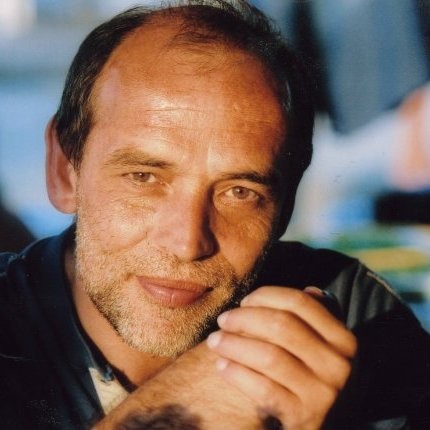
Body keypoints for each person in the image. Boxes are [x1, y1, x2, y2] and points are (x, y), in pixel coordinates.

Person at [0, 1, 429, 429]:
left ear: (286, 205)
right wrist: (176, 415)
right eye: (143, 177)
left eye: (239, 192)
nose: (187, 243)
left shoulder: (355, 315)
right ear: (64, 170)